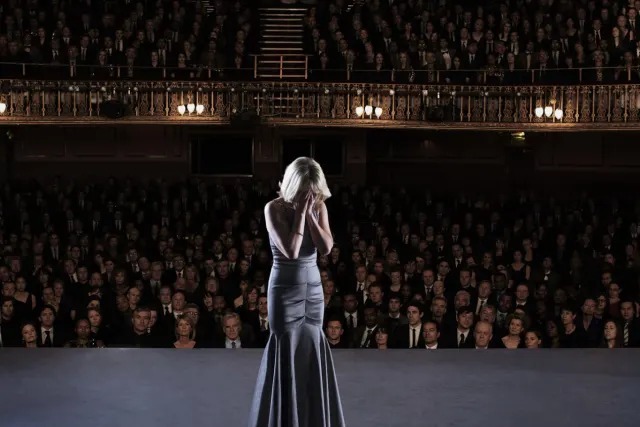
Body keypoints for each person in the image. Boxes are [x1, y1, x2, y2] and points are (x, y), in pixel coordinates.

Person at [248, 157, 346, 427]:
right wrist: (301, 214)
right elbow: (291, 251)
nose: (310, 196)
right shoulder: (273, 208)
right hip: (284, 288)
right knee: (286, 345)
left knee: (312, 343)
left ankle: (314, 418)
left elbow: (326, 248)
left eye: (313, 190)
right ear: (293, 185)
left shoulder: (319, 206)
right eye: (305, 191)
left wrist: (312, 215)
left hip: (313, 290)